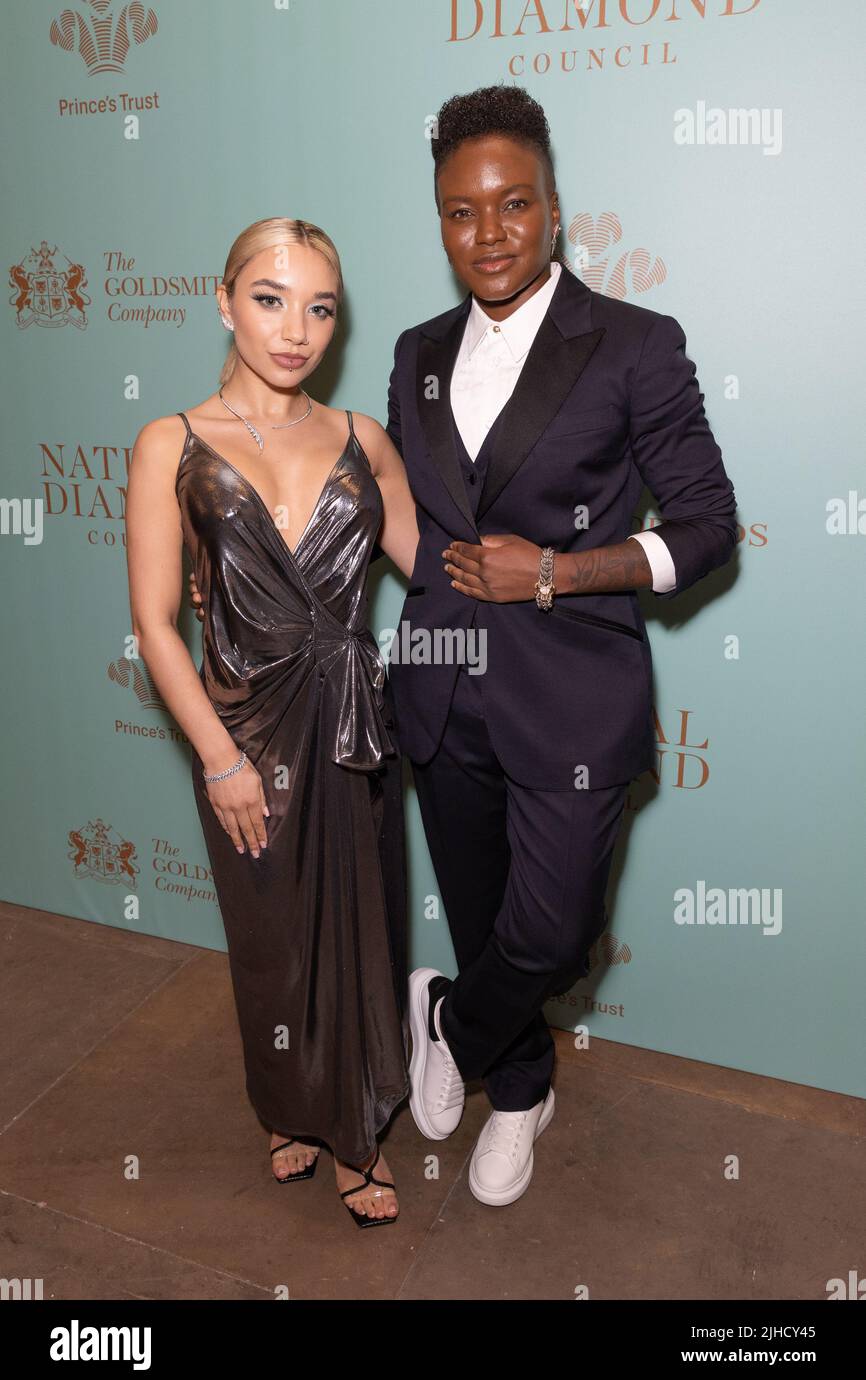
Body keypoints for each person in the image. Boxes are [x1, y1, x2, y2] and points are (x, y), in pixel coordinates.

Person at [384, 84, 738, 1206]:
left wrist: (551, 571)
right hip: (440, 688)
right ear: (437, 218)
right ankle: (522, 1086)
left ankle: (447, 1016)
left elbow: (705, 529)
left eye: (511, 204)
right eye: (458, 212)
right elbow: (402, 511)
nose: (486, 235)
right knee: (485, 913)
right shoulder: (415, 351)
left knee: (553, 934)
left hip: (572, 694)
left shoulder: (632, 345)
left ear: (552, 208)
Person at [126, 218, 421, 1228]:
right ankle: (284, 1104)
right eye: (268, 297)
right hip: (243, 733)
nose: (296, 328)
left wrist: (571, 545)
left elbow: (441, 571)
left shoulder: (360, 439)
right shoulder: (171, 441)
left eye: (320, 307)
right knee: (270, 945)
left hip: (352, 725)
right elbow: (156, 626)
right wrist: (217, 758)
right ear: (223, 301)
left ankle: (353, 1130)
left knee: (361, 934)